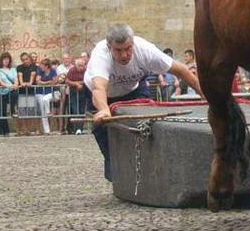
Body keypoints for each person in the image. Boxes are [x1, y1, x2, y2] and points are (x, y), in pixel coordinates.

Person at [85, 24, 200, 181]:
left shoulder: (145, 50)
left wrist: (207, 95)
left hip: (133, 90)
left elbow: (182, 71)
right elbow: (99, 88)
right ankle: (117, 175)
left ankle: (149, 169)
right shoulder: (100, 55)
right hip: (103, 94)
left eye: (128, 49)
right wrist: (104, 110)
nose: (124, 55)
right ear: (109, 46)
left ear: (133, 43)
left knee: (148, 125)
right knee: (104, 130)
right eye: (118, 50)